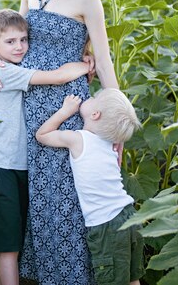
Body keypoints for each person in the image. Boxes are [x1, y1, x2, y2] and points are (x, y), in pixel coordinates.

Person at [0, 0, 121, 284]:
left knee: (68, 191)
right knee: (38, 194)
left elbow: (104, 60)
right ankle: (43, 273)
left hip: (69, 102)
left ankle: (74, 276)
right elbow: (12, 36)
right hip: (29, 99)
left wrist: (117, 113)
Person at [0, 9, 92, 285]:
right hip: (3, 168)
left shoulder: (9, 65)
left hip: (22, 166)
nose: (19, 46)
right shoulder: (5, 72)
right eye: (10, 42)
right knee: (8, 248)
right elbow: (56, 77)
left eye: (23, 39)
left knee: (14, 241)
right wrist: (86, 66)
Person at [35, 89, 143, 285]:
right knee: (132, 279)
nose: (88, 97)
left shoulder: (78, 139)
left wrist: (65, 111)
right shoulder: (110, 144)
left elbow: (41, 134)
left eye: (94, 98)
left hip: (107, 225)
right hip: (129, 216)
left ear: (95, 114)